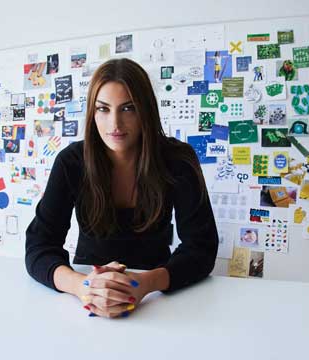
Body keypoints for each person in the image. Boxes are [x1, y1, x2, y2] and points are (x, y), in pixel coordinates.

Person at [25, 58, 218, 319]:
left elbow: (202, 247)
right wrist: (83, 286)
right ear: (92, 113)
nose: (114, 123)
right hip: (88, 288)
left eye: (128, 108)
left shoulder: (178, 160)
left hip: (157, 297)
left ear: (145, 110)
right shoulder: (71, 162)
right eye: (103, 109)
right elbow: (39, 245)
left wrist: (143, 284)